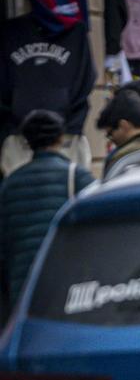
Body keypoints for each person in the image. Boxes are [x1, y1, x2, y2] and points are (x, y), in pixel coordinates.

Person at [0, 111, 93, 321]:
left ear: (27, 142)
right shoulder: (77, 177)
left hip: (22, 280)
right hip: (67, 281)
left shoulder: (10, 184)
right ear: (61, 138)